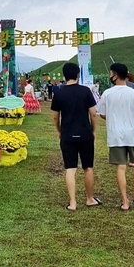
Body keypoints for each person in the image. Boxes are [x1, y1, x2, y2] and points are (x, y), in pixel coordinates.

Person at [96, 63, 134, 211]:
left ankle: (125, 202)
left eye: (111, 73)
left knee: (121, 167)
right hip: (133, 134)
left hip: (115, 135)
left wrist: (113, 119)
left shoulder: (107, 93)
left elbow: (102, 113)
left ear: (115, 75)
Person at [51, 62, 101, 210]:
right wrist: (93, 130)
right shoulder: (85, 91)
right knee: (88, 167)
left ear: (64, 76)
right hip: (85, 134)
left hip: (67, 135)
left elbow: (55, 117)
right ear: (78, 75)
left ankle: (72, 203)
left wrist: (59, 130)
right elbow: (93, 113)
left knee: (70, 168)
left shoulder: (59, 93)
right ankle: (90, 199)